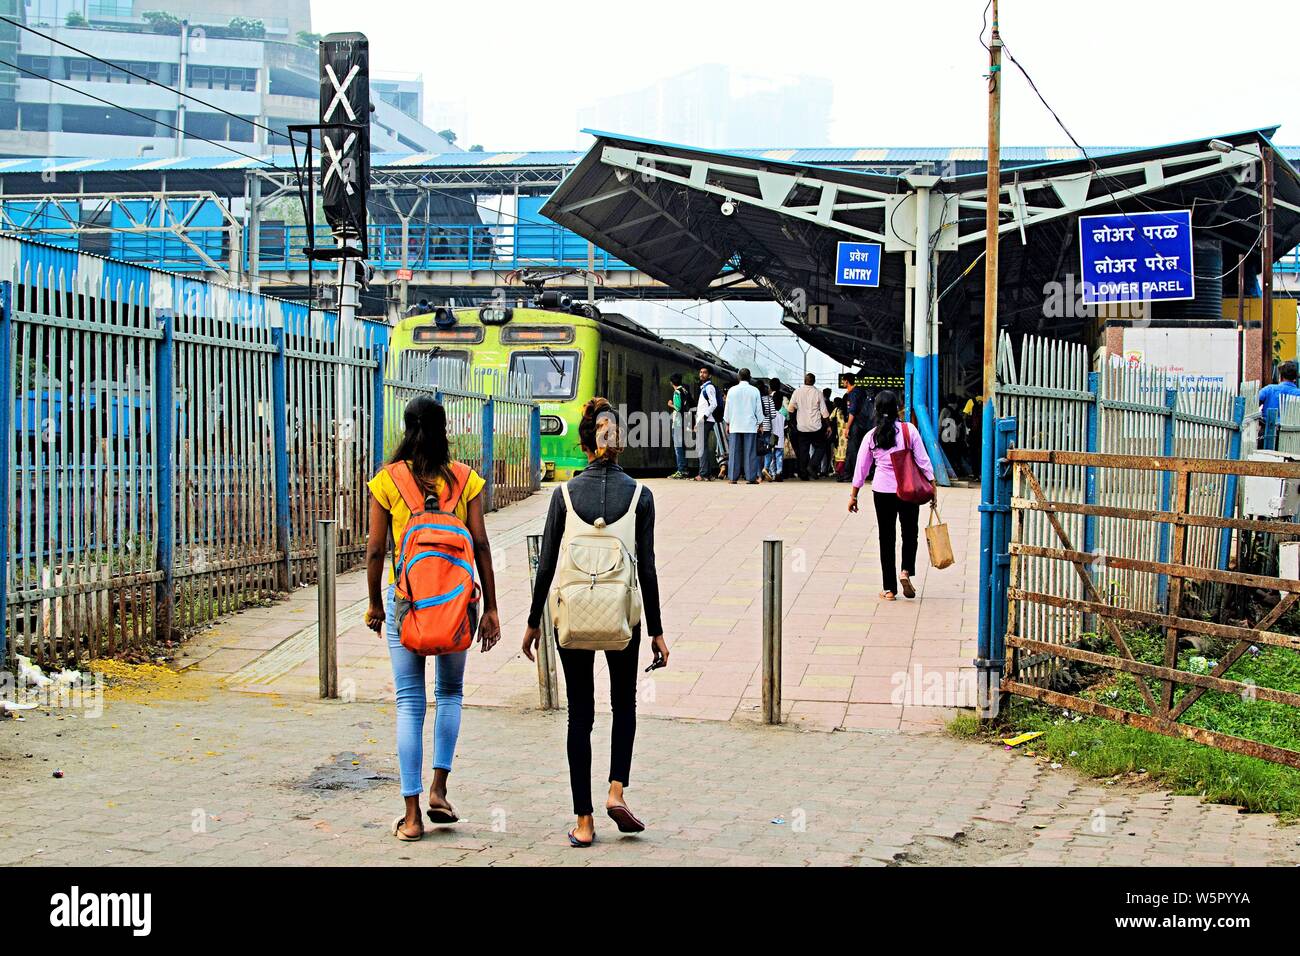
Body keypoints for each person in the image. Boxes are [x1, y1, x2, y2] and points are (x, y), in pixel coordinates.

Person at [522, 398, 668, 847]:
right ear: (618, 443)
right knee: (623, 704)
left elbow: (546, 565)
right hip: (623, 618)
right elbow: (647, 567)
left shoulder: (562, 495)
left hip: (575, 619)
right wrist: (658, 631)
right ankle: (616, 790)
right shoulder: (642, 496)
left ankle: (584, 823)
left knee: (579, 717)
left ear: (585, 442)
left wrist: (532, 623)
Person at [364, 395, 502, 842]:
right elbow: (480, 545)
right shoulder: (465, 480)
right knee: (451, 692)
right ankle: (440, 790)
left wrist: (375, 604)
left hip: (406, 602)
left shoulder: (388, 481)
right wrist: (493, 609)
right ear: (445, 431)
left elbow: (374, 550)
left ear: (406, 429)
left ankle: (411, 816)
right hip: (457, 605)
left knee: (409, 700)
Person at [847, 390, 934, 602]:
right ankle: (905, 571)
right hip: (908, 490)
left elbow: (862, 468)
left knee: (886, 537)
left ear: (876, 410)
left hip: (882, 492)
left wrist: (854, 495)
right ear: (898, 408)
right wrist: (932, 484)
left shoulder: (872, 436)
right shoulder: (908, 431)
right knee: (909, 533)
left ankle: (889, 589)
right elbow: (923, 460)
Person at [723, 368, 764, 484]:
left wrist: (727, 423)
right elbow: (758, 410)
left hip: (735, 424)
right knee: (750, 452)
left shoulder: (731, 390)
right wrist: (760, 423)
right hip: (750, 425)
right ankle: (751, 478)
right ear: (750, 378)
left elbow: (727, 409)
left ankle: (732, 477)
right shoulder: (755, 390)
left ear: (738, 377)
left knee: (734, 451)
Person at [788, 372, 830, 480]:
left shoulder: (797, 392)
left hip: (802, 427)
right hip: (815, 427)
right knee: (821, 446)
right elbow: (824, 412)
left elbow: (790, 409)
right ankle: (812, 465)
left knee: (803, 450)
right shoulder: (818, 393)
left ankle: (803, 474)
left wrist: (793, 423)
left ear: (804, 381)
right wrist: (828, 425)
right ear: (814, 382)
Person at [840, 374, 872, 484]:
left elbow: (852, 412)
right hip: (864, 424)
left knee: (852, 451)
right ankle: (857, 473)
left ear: (847, 381)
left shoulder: (853, 394)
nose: (842, 383)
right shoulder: (861, 392)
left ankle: (851, 474)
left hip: (856, 425)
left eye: (843, 381)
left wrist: (847, 427)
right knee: (860, 450)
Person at [694, 367, 723, 481]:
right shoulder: (704, 388)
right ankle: (707, 473)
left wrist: (703, 418)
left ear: (709, 375)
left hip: (706, 420)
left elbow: (713, 404)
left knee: (701, 446)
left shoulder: (709, 387)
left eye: (705, 372)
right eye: (700, 372)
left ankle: (703, 473)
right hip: (705, 420)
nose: (702, 374)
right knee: (703, 446)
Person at [667, 372, 691, 478]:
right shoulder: (685, 390)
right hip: (685, 421)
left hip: (677, 422)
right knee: (682, 446)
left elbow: (678, 407)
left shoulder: (677, 392)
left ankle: (681, 470)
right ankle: (684, 469)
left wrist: (670, 404)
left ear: (672, 382)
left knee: (678, 447)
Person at [938, 394, 968, 478]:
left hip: (946, 437)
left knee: (948, 456)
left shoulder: (944, 410)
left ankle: (949, 473)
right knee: (957, 456)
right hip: (957, 437)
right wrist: (964, 438)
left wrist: (938, 435)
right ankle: (959, 472)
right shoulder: (960, 411)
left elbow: (940, 424)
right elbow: (964, 425)